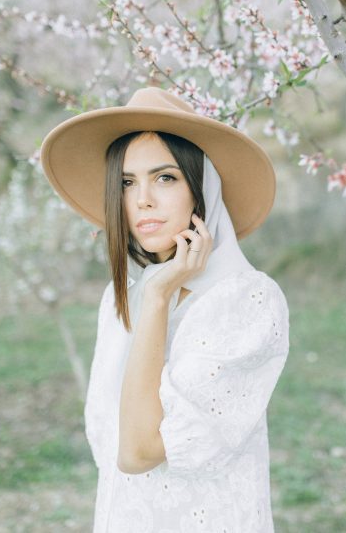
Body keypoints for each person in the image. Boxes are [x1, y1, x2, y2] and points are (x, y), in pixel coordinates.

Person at [40, 86, 290, 532]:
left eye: (166, 178)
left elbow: (139, 452)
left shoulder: (247, 301)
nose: (142, 201)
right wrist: (153, 291)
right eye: (126, 182)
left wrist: (157, 299)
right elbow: (112, 457)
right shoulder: (121, 298)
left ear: (201, 190)